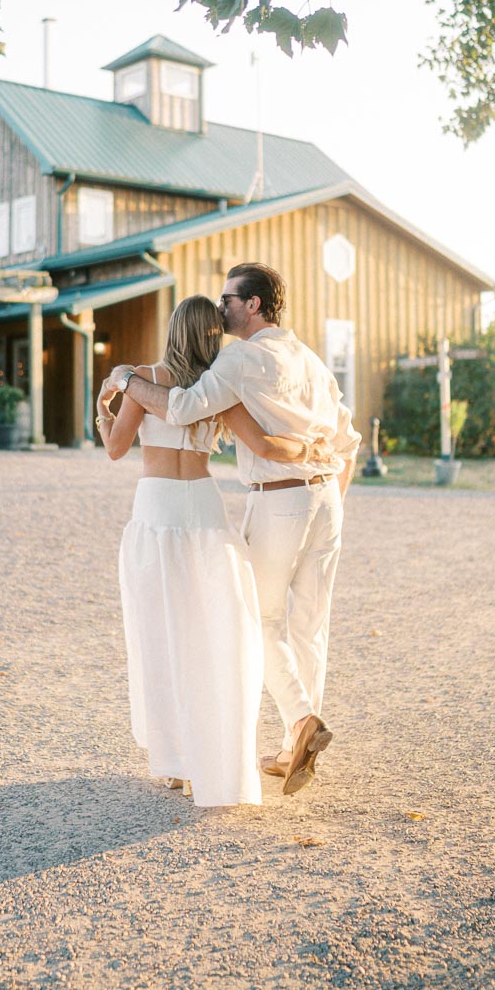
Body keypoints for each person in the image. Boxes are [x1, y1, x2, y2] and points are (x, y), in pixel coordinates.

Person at [107, 264, 361, 797]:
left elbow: (178, 406)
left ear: (254, 305)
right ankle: (297, 745)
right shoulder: (310, 359)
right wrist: (323, 488)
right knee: (311, 624)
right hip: (324, 498)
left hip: (279, 502)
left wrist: (126, 380)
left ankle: (300, 723)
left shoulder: (238, 359)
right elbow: (347, 438)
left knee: (259, 618)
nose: (221, 310)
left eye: (229, 299)